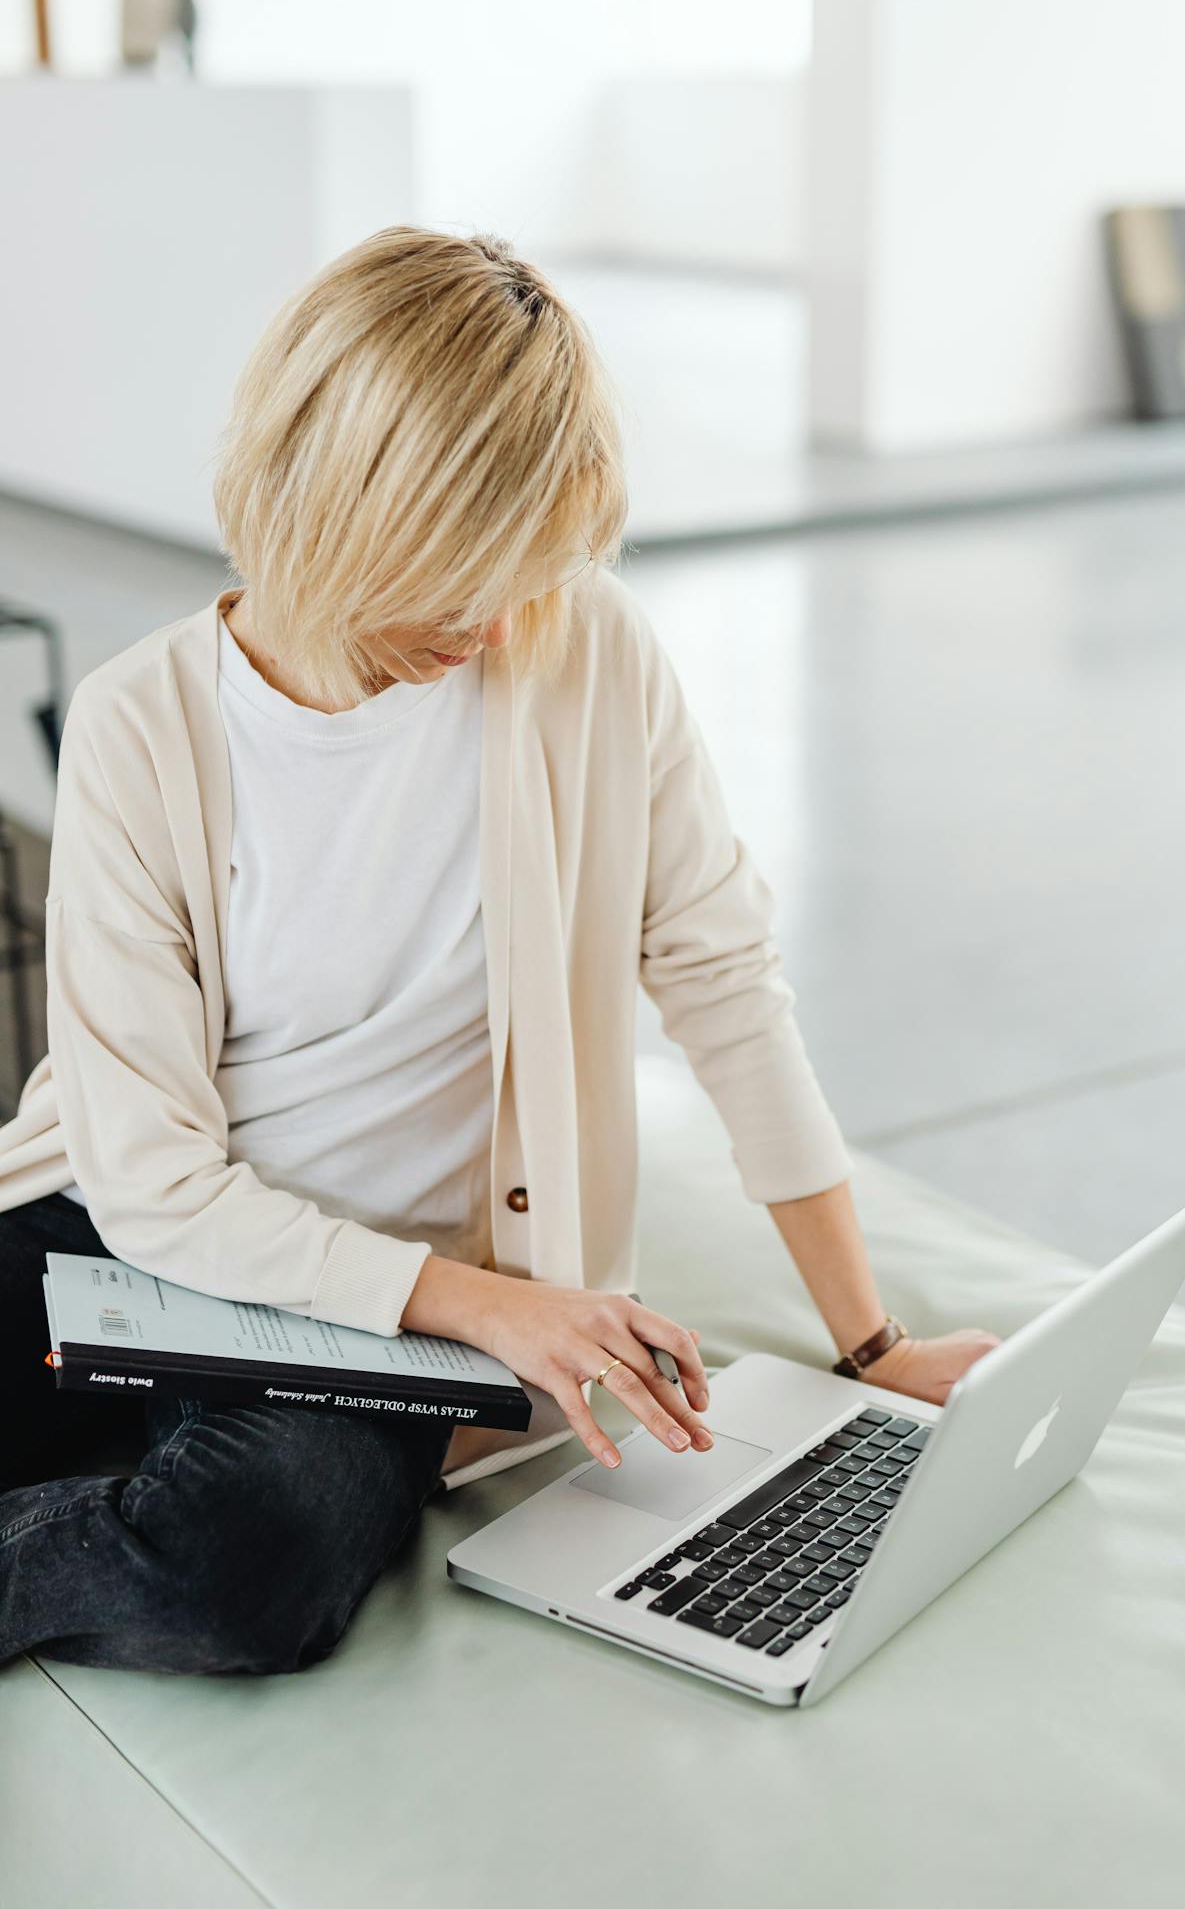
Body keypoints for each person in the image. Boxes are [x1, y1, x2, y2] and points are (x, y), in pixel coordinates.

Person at [0, 226, 998, 1677]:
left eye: (519, 569)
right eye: (444, 573)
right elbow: (149, 1180)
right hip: (127, 1228)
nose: (482, 621)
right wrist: (500, 1310)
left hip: (371, 1325)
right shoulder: (141, 724)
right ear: (325, 505)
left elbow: (720, 977)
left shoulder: (584, 654)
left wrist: (870, 1345)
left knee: (243, 1569)